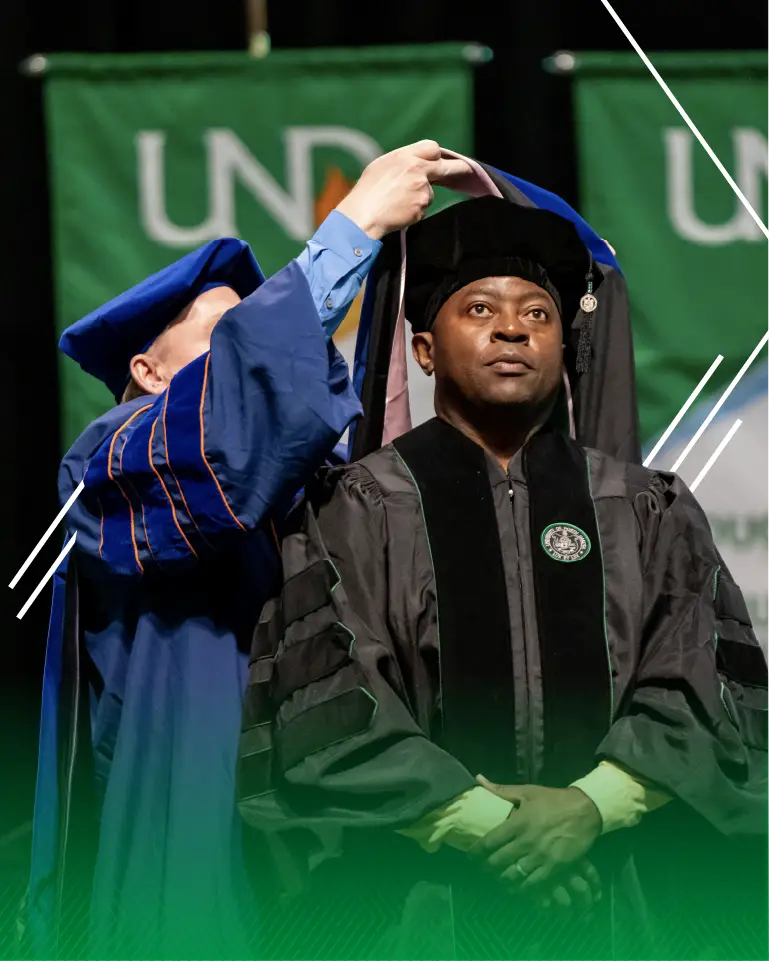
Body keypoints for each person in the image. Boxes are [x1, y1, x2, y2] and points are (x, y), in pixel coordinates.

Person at [238, 196, 768, 960]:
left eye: (537, 314)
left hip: (619, 894)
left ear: (562, 346)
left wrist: (589, 807)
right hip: (419, 906)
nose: (512, 329)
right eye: (480, 308)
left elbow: (700, 685)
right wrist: (502, 830)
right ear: (424, 351)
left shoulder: (644, 507)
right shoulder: (354, 507)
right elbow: (330, 705)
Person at [26, 140, 470, 961]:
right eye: (229, 334)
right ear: (149, 371)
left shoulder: (304, 481)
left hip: (329, 838)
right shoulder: (108, 463)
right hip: (200, 817)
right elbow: (228, 449)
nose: (265, 347)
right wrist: (351, 228)